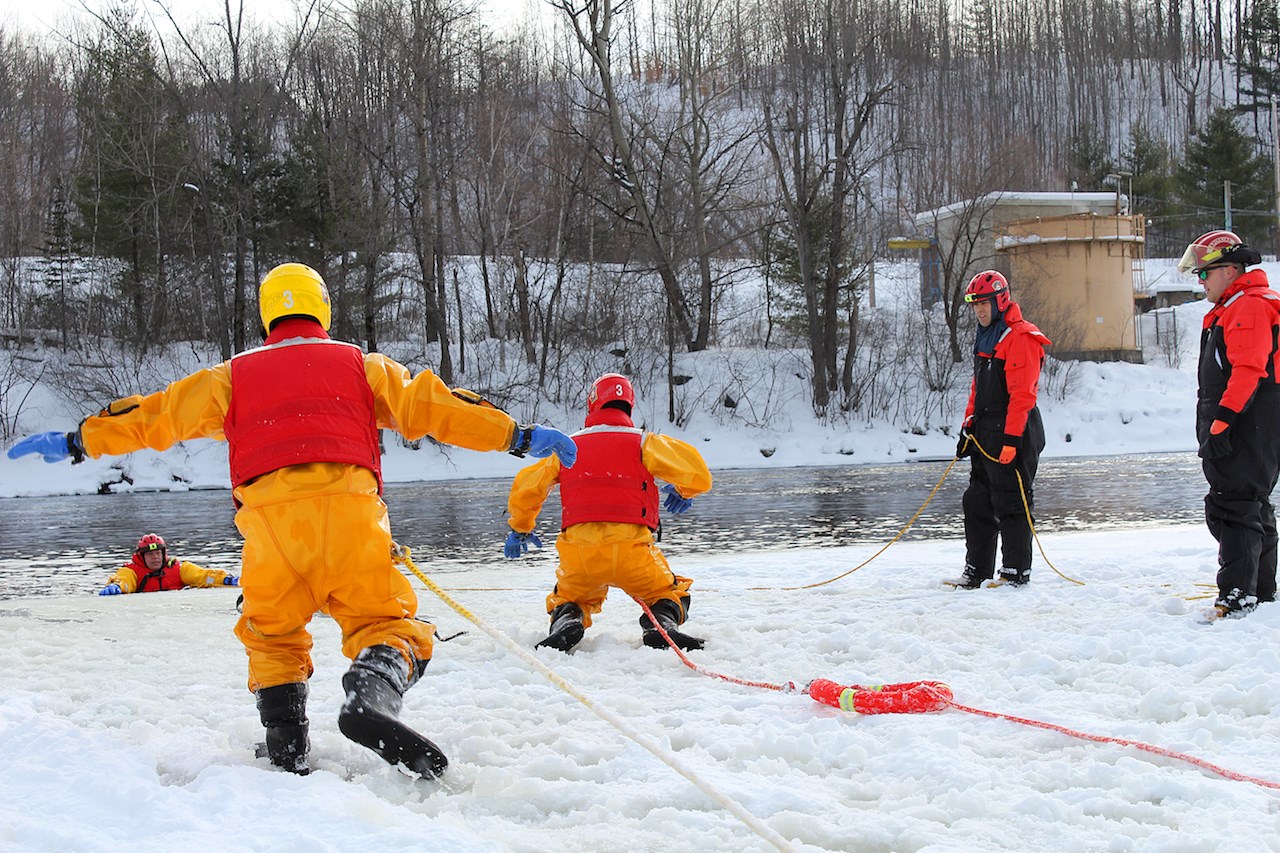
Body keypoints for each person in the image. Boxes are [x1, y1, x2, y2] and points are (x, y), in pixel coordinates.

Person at [6, 262, 577, 777]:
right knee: (387, 623)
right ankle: (371, 691)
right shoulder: (363, 366)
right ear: (322, 309)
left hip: (271, 530)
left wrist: (79, 440)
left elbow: (154, 416)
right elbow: (436, 407)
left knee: (271, 634)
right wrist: (516, 435)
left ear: (266, 315)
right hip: (353, 517)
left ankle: (286, 746)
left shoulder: (230, 378)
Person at [504, 373, 712, 652]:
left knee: (568, 597)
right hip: (634, 553)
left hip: (580, 555)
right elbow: (698, 473)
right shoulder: (643, 442)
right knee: (669, 592)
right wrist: (684, 492)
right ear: (629, 405)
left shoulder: (566, 446)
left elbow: (527, 487)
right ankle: (660, 623)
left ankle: (567, 620)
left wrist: (521, 527)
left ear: (593, 403)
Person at [1179, 230, 1280, 620]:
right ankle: (1260, 590)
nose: (1201, 281)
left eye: (1205, 274)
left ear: (1230, 270)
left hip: (1247, 420)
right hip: (1258, 419)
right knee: (1251, 503)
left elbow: (1248, 369)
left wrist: (1222, 422)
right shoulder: (1242, 304)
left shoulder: (1247, 306)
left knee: (1233, 505)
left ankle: (1237, 597)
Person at [947, 270, 1051, 589]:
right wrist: (969, 426)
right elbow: (977, 389)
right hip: (985, 429)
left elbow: (1023, 396)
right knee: (977, 500)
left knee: (1011, 501)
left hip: (1015, 429)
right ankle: (977, 570)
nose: (979, 310)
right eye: (975, 304)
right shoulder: (986, 337)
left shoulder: (1020, 337)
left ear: (1000, 301)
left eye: (985, 303)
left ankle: (1015, 572)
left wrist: (1010, 440)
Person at [100, 532, 237, 595]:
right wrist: (116, 587)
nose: (155, 558)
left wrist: (225, 579)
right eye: (150, 554)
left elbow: (202, 576)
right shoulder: (131, 571)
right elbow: (124, 580)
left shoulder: (178, 569)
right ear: (142, 557)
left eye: (158, 553)